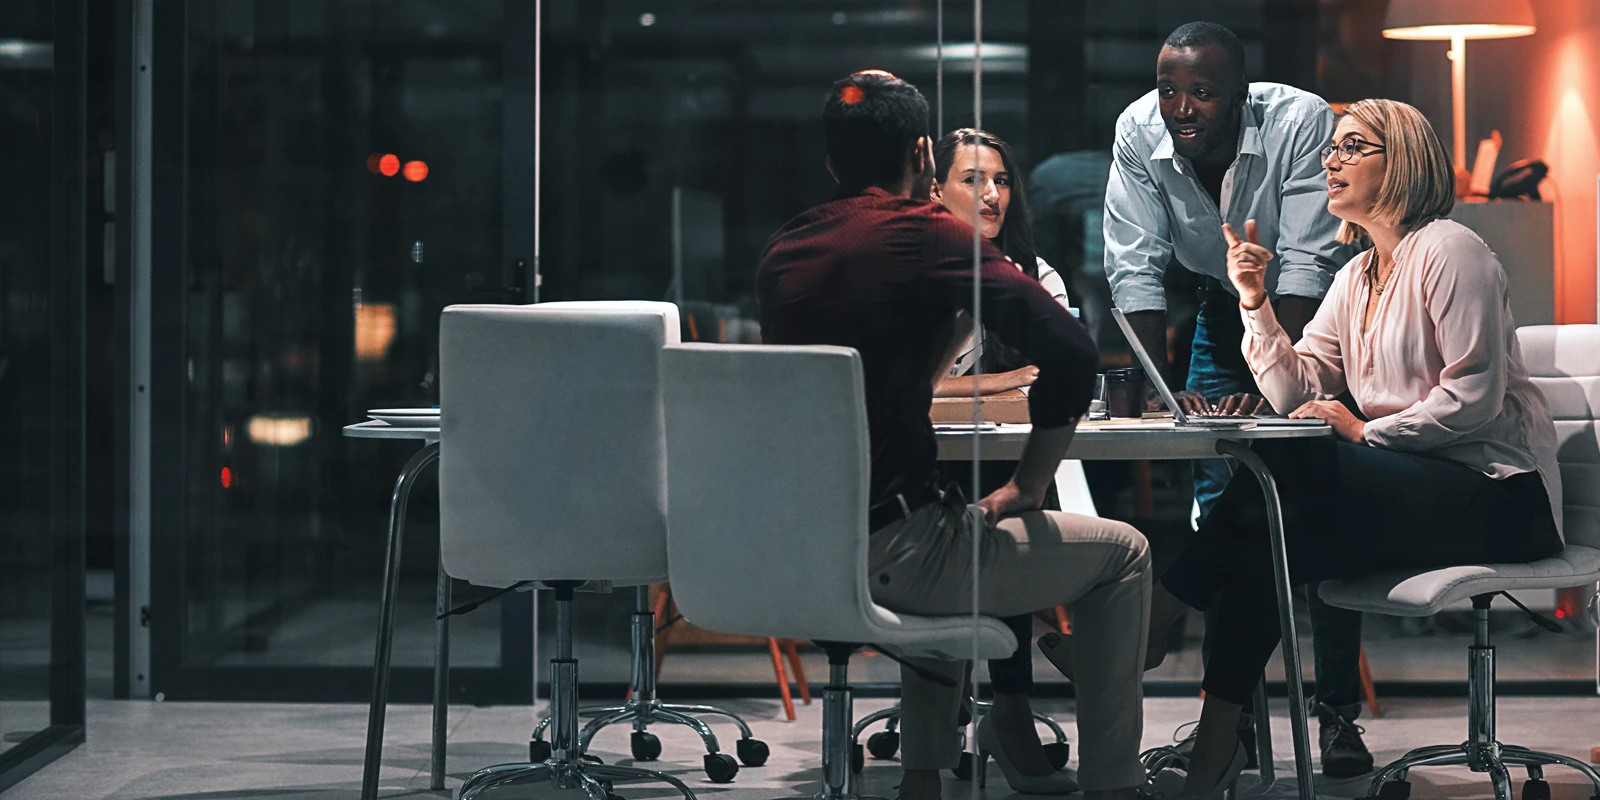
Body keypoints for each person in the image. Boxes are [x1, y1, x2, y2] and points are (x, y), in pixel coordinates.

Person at [1144, 98, 1565, 797]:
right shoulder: (1358, 274)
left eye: (1351, 148)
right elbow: (1294, 389)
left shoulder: (1450, 251)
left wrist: (1363, 431)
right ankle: (1217, 746)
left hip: (1499, 498)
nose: (1328, 161)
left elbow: (1474, 398)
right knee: (1264, 545)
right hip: (1411, 491)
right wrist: (1255, 301)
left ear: (1398, 163)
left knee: (1286, 469)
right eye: (1330, 149)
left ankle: (1157, 618)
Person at [756, 70, 1151, 800]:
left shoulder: (787, 245)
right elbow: (1070, 351)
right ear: (923, 155)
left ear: (831, 162)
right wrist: (1031, 483)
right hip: (897, 552)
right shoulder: (927, 233)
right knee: (1124, 554)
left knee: (946, 520)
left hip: (790, 551)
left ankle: (923, 776)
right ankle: (1115, 784)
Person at [1099, 20, 1371, 773]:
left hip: (1309, 307)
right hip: (1225, 302)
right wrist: (1157, 394)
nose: (1181, 108)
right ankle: (1237, 722)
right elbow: (1136, 269)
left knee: (1309, 490)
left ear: (1239, 96)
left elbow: (1310, 265)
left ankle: (1338, 715)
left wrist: (1276, 383)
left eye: (1203, 92)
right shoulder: (1137, 132)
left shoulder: (1298, 121)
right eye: (1168, 89)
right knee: (1223, 496)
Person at [931, 128, 1070, 398]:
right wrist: (1002, 380)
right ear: (935, 191)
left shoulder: (1036, 277)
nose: (993, 195)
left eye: (1002, 181)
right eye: (973, 179)